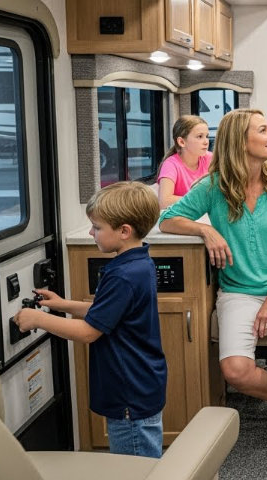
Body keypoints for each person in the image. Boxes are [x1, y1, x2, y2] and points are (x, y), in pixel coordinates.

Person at [159, 109, 267, 472]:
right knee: (235, 370)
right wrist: (206, 231)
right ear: (240, 142)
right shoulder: (213, 187)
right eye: (263, 130)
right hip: (237, 291)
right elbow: (166, 219)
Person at [15, 181, 167, 457]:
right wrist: (62, 305)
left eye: (97, 227)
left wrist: (37, 319)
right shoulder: (137, 262)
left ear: (124, 231)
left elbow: (88, 332)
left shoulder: (122, 275)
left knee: (134, 471)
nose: (91, 232)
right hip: (140, 384)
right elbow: (105, 312)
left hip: (129, 391)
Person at [157, 115, 213, 208]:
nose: (206, 142)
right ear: (182, 142)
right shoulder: (170, 164)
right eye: (200, 136)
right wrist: (201, 199)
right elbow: (164, 201)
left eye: (207, 136)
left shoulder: (210, 158)